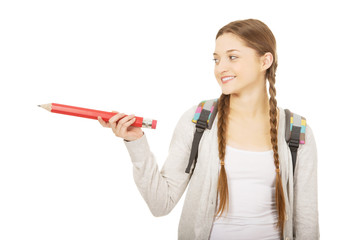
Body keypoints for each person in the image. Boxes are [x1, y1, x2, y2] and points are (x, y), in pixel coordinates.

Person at [97, 18, 319, 240]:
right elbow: (160, 204)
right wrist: (136, 142)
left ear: (265, 61)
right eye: (216, 59)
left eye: (232, 57)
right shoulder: (198, 122)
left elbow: (307, 223)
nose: (221, 68)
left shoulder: (297, 132)